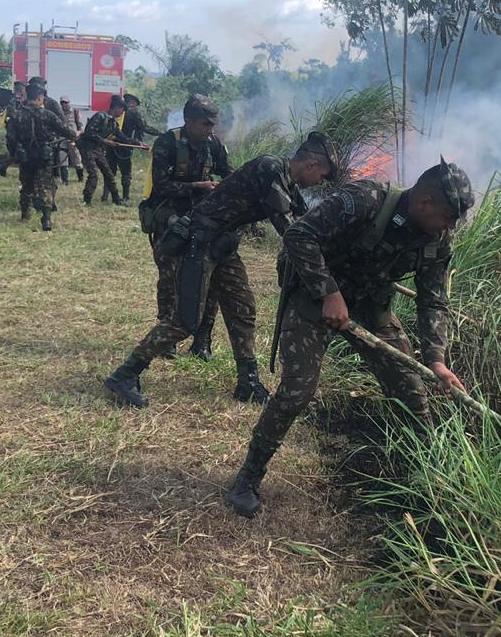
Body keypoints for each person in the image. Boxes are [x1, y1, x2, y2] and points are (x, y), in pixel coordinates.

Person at [224, 159, 476, 518]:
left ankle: (431, 481)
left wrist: (436, 358)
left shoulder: (438, 241)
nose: (451, 227)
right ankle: (248, 476)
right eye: (449, 217)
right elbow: (299, 235)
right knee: (297, 392)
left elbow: (433, 300)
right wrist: (328, 292)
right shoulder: (365, 199)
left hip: (370, 307)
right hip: (315, 296)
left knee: (412, 390)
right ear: (425, 202)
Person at [104, 132, 338, 409]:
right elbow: (290, 229)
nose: (319, 183)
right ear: (311, 164)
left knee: (242, 309)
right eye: (322, 176)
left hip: (222, 246)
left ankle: (247, 382)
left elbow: (303, 219)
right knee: (184, 320)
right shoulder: (270, 168)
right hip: (197, 243)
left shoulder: (285, 179)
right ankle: (125, 374)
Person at [140, 94, 231, 359]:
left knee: (210, 280)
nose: (210, 129)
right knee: (169, 279)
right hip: (169, 220)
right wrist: (196, 187)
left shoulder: (213, 144)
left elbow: (229, 173)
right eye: (205, 124)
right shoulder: (167, 143)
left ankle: (202, 341)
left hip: (203, 222)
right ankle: (166, 338)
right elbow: (161, 186)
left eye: (212, 124)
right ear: (188, 121)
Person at [15, 82, 77, 231]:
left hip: (26, 157)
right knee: (45, 187)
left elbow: (11, 139)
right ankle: (46, 220)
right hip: (44, 156)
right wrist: (75, 135)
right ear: (39, 98)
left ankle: (25, 214)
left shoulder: (17, 115)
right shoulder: (47, 115)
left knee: (26, 186)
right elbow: (66, 131)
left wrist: (16, 153)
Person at [103, 92, 162, 203]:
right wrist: (160, 133)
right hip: (122, 146)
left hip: (116, 144)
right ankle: (125, 197)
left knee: (110, 171)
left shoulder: (111, 112)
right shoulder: (132, 113)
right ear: (131, 103)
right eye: (134, 104)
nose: (134, 107)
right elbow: (144, 127)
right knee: (125, 173)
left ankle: (105, 196)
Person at [78, 95, 135, 206]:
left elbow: (122, 137)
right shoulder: (100, 116)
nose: (122, 112)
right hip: (87, 148)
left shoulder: (113, 122)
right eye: (122, 110)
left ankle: (116, 199)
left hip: (98, 149)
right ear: (117, 108)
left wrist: (138, 143)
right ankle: (87, 200)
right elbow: (89, 133)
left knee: (109, 174)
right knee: (94, 174)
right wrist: (105, 141)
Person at [0, 81, 26, 178]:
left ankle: (3, 167)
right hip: (14, 131)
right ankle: (4, 167)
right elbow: (13, 115)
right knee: (19, 152)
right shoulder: (14, 101)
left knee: (17, 154)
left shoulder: (19, 100)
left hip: (17, 130)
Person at [58, 96, 85, 184]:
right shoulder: (59, 113)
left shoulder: (75, 112)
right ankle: (65, 181)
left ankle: (80, 178)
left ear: (69, 103)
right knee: (62, 159)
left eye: (66, 102)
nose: (64, 104)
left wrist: (78, 132)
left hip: (73, 139)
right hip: (62, 139)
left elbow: (81, 126)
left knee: (76, 159)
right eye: (62, 103)